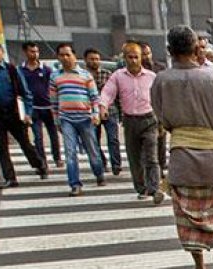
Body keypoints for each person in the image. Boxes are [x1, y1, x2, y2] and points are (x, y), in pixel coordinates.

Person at [151, 25, 213, 269]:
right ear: (196, 48)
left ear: (169, 50)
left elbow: (162, 119)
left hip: (181, 157)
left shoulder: (161, 81)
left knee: (188, 216)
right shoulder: (211, 78)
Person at [0, 40, 48, 188]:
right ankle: (10, 178)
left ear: (2, 52)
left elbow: (25, 93)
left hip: (14, 113)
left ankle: (39, 164)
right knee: (2, 147)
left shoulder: (12, 70)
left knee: (25, 144)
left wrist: (27, 113)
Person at [100, 41, 162, 203]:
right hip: (130, 121)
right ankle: (142, 188)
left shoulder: (151, 77)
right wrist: (103, 106)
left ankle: (155, 188)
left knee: (151, 157)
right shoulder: (118, 76)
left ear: (141, 58)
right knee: (134, 158)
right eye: (130, 57)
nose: (133, 60)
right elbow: (107, 92)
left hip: (149, 119)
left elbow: (160, 98)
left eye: (136, 57)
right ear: (124, 58)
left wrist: (163, 119)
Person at [50, 43, 105, 196]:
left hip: (85, 118)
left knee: (92, 150)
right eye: (62, 55)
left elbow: (94, 97)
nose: (65, 58)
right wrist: (56, 120)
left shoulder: (85, 75)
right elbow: (53, 101)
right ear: (58, 57)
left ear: (74, 56)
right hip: (66, 119)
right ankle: (75, 184)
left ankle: (99, 173)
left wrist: (95, 114)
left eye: (68, 54)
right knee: (70, 152)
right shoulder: (55, 76)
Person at [19, 41, 62, 168]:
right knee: (37, 136)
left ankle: (57, 158)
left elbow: (54, 86)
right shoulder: (21, 70)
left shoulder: (46, 69)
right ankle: (42, 161)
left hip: (48, 106)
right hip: (33, 108)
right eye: (32, 51)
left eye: (37, 51)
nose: (35, 54)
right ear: (25, 52)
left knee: (53, 134)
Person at [84, 47, 121, 176]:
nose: (95, 61)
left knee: (113, 139)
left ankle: (116, 164)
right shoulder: (83, 76)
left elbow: (116, 93)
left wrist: (120, 112)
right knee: (94, 140)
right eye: (92, 59)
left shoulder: (107, 74)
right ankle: (102, 162)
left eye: (97, 59)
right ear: (86, 60)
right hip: (91, 113)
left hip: (110, 111)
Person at [141, 42, 169, 171]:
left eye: (148, 53)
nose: (146, 56)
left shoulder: (160, 68)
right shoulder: (135, 71)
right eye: (143, 54)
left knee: (161, 138)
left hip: (159, 108)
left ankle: (161, 164)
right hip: (143, 109)